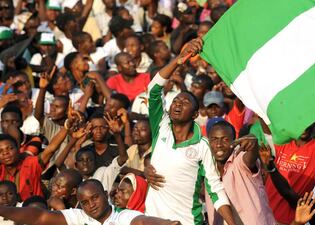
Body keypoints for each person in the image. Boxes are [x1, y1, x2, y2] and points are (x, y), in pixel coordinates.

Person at [144, 38, 237, 225]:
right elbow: (153, 89)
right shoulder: (160, 126)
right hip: (154, 220)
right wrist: (179, 59)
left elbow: (215, 188)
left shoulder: (203, 146)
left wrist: (232, 223)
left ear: (195, 114)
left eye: (185, 102)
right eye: (176, 101)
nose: (178, 104)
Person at [0, 179, 181, 225]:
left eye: (95, 198)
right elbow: (40, 216)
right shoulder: (78, 217)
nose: (91, 204)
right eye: (85, 202)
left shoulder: (122, 216)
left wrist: (165, 223)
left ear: (104, 194)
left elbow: (143, 222)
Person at [206, 120, 276, 225]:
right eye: (214, 139)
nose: (219, 145)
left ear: (234, 141)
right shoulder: (207, 167)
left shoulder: (240, 160)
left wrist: (253, 143)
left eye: (225, 139)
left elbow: (251, 155)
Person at [0, 127, 68, 200]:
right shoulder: (1, 170)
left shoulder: (30, 163)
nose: (5, 153)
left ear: (18, 149)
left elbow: (51, 149)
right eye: (0, 151)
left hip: (36, 209)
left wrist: (66, 126)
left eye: (10, 148)